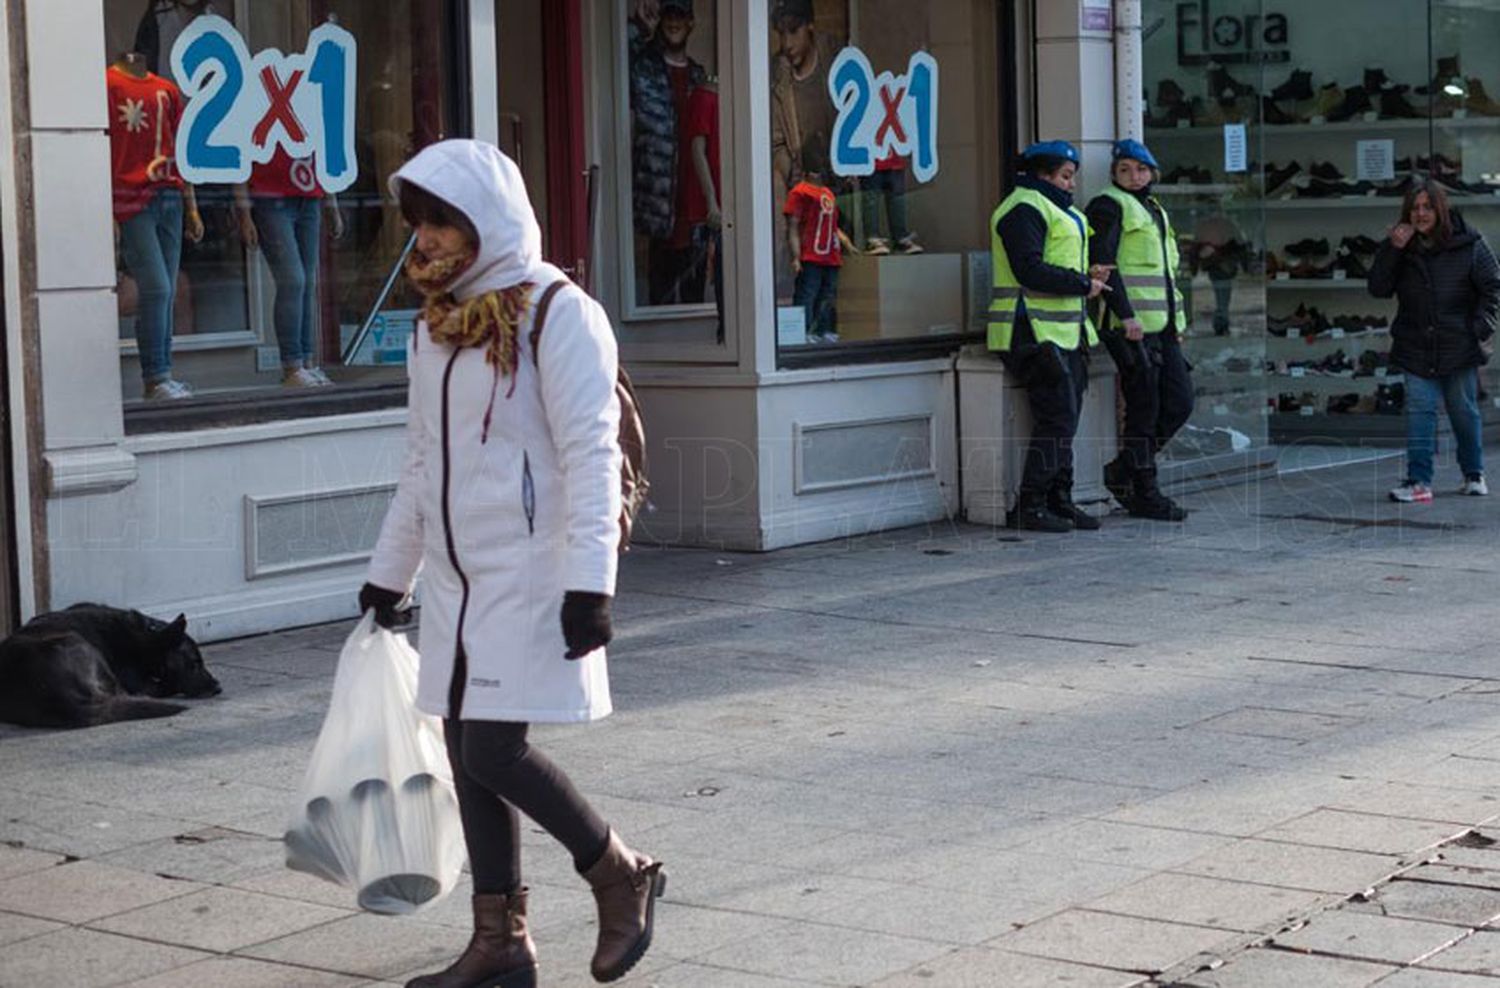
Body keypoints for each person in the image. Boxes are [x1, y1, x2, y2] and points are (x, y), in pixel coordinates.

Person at [360, 140, 665, 987]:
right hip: (460, 580)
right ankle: (500, 945)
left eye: (443, 221)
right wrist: (394, 572)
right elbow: (423, 462)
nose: (425, 239)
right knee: (466, 750)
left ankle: (619, 871)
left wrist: (588, 587)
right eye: (418, 221)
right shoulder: (437, 326)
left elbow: (592, 453)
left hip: (536, 572)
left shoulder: (558, 312)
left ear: (486, 223)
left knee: (494, 747)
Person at [988, 141, 1108, 532]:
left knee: (1064, 420)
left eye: (1072, 176)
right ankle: (1031, 504)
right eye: (1064, 176)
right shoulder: (1023, 208)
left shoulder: (1057, 209)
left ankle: (1058, 499)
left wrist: (1087, 276)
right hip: (1030, 330)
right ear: (1042, 175)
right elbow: (1030, 270)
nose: (1071, 184)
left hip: (1063, 332)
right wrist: (1082, 283)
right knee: (1057, 419)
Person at [1369, 180, 1500, 503]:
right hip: (1415, 343)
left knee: (1462, 411)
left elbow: (1493, 286)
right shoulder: (1401, 246)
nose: (1420, 214)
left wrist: (1480, 327)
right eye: (1414, 208)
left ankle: (1473, 473)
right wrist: (1393, 250)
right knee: (1420, 410)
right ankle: (1418, 481)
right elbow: (1378, 288)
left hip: (1458, 342)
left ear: (1440, 209)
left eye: (1427, 207)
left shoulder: (1469, 243)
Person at [1087, 139, 1193, 522]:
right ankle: (1146, 491)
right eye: (1125, 170)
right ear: (1114, 174)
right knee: (1144, 409)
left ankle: (1122, 470)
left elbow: (1164, 276)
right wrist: (1126, 315)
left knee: (1179, 403)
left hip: (1160, 327)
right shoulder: (1107, 205)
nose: (1134, 176)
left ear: (1153, 173)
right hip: (1127, 326)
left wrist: (1176, 326)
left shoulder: (1152, 209)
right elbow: (1103, 265)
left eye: (1141, 169)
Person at [108, 49, 204, 400]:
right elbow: (98, 148)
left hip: (170, 195)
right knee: (157, 288)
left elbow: (181, 151)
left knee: (166, 290)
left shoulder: (167, 89)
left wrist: (191, 206)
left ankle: (162, 376)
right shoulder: (108, 86)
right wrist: (108, 212)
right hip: (130, 200)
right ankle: (156, 375)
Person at [235, 151, 345, 387]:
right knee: (293, 280)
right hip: (269, 194)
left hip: (309, 193)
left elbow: (323, 146)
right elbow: (241, 150)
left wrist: (331, 201)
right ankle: (292, 365)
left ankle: (306, 362)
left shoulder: (311, 112)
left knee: (306, 282)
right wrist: (244, 212)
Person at [628, 0, 707, 305]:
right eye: (669, 15)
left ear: (691, 23)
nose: (674, 23)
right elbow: (611, 69)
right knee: (658, 300)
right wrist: (638, 28)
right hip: (658, 210)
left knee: (695, 302)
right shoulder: (644, 68)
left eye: (681, 16)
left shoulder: (700, 76)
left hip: (696, 210)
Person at [785, 140, 856, 344]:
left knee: (828, 294)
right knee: (808, 293)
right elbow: (792, 226)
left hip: (830, 255)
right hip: (811, 254)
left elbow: (833, 225)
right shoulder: (799, 192)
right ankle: (803, 331)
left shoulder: (827, 193)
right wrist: (796, 257)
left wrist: (847, 243)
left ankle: (825, 329)